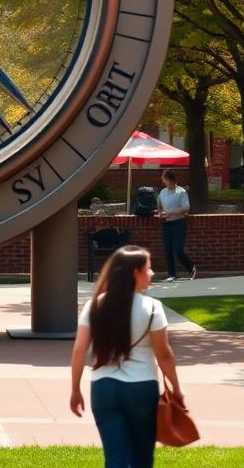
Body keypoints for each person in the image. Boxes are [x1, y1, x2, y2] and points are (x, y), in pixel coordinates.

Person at [70, 245, 185, 468]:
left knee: (115, 459)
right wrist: (176, 389)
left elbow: (78, 350)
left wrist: (75, 389)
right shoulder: (152, 308)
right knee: (142, 458)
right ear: (135, 273)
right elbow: (164, 355)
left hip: (103, 388)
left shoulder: (94, 306)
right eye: (149, 269)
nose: (152, 274)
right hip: (141, 388)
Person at [157, 169, 197, 281]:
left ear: (170, 179)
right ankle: (172, 274)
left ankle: (191, 268)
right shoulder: (163, 192)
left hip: (179, 223)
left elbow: (186, 208)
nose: (163, 181)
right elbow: (160, 207)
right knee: (168, 250)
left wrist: (169, 212)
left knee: (178, 250)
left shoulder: (181, 192)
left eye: (164, 178)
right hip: (167, 224)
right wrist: (160, 213)